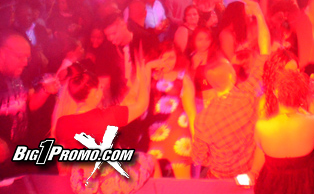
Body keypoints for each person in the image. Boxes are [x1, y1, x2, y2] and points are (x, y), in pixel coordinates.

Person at [54, 56, 157, 184]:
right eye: (100, 88)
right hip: (106, 183)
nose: (102, 90)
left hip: (81, 184)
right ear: (94, 92)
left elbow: (62, 161)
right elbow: (142, 104)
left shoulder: (61, 123)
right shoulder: (108, 116)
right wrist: (146, 68)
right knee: (151, 161)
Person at [251, 70, 314, 194]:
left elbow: (261, 152)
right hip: (307, 184)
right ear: (302, 95)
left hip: (274, 185)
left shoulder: (261, 126)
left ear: (276, 92)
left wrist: (253, 172)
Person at [191, 54, 265, 178]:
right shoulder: (247, 94)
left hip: (223, 178)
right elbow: (260, 68)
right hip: (252, 171)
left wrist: (215, 161)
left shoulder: (202, 120)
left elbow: (198, 157)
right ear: (232, 76)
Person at [0, 30, 58, 172]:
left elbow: (30, 104)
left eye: (27, 58)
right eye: (20, 57)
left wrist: (45, 91)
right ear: (2, 54)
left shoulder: (20, 74)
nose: (25, 63)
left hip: (19, 151)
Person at [147, 41, 196, 178]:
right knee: (155, 181)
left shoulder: (182, 77)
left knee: (183, 181)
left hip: (178, 132)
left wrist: (196, 139)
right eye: (163, 57)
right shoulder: (148, 77)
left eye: (171, 57)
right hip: (153, 133)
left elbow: (191, 111)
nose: (168, 61)